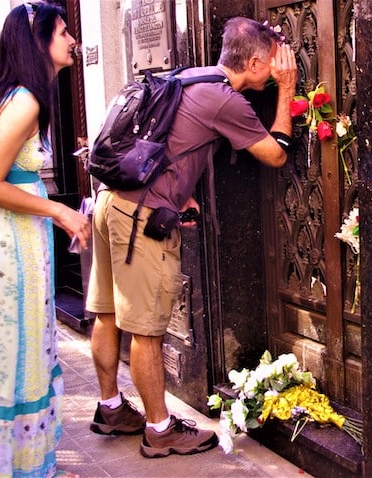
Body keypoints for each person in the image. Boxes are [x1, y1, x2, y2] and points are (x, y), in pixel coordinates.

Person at [86, 17, 297, 458]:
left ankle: (110, 408)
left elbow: (171, 139)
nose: (277, 65)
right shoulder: (225, 100)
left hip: (111, 202)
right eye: (272, 59)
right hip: (140, 219)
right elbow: (275, 154)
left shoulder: (188, 77)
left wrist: (178, 191)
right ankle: (160, 430)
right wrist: (288, 89)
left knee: (106, 313)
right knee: (147, 331)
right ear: (255, 62)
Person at [0, 3, 90, 477]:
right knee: (11, 353)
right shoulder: (26, 100)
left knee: (9, 353)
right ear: (38, 41)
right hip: (9, 249)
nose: (72, 40)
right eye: (64, 32)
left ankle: (12, 465)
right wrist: (60, 209)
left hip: (11, 242)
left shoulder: (20, 95)